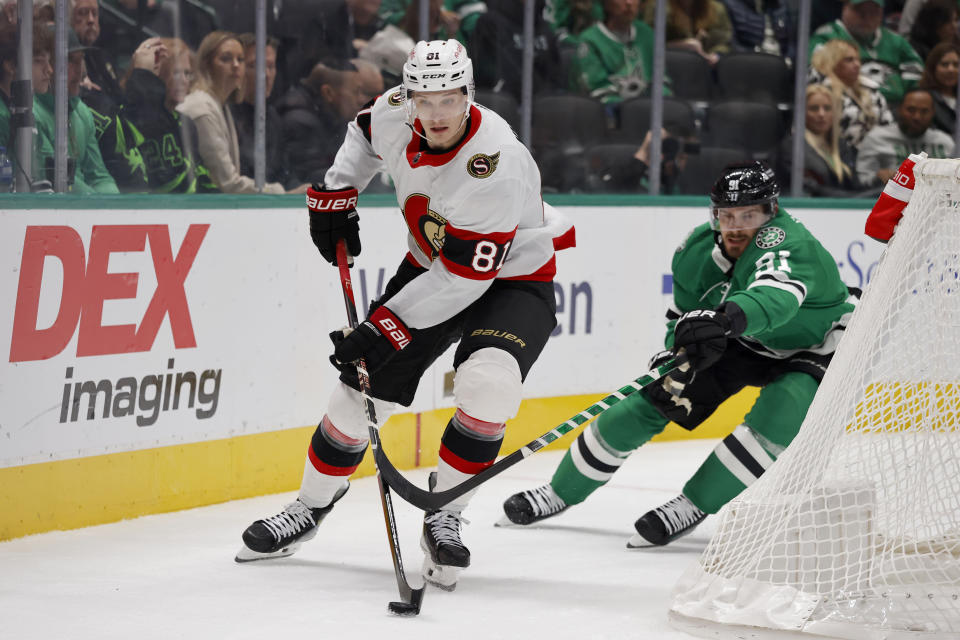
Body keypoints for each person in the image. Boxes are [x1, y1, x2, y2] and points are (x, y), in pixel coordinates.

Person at [236, 40, 576, 591]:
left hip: (511, 279)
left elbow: (467, 280)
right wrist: (336, 192)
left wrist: (382, 326)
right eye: (425, 99)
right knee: (358, 394)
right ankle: (308, 507)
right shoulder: (397, 110)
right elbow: (364, 134)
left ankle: (445, 515)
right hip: (433, 263)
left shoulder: (499, 164)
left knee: (489, 383)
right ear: (409, 94)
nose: (436, 113)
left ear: (468, 94)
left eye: (449, 99)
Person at [501, 161, 857, 548]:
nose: (736, 227)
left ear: (772, 212)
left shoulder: (790, 243)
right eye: (727, 215)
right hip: (739, 335)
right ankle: (560, 491)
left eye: (749, 215)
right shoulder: (696, 252)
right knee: (648, 402)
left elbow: (776, 297)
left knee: (782, 409)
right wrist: (677, 351)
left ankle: (693, 504)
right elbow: (683, 318)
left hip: (817, 342)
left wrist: (727, 319)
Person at [177, 31, 304, 194]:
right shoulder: (203, 109)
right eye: (226, 59)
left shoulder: (224, 106)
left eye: (240, 60)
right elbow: (228, 183)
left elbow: (283, 171)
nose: (236, 65)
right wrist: (284, 194)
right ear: (206, 65)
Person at [93, 37, 219, 193]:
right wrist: (142, 75)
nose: (184, 80)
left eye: (187, 73)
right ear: (159, 73)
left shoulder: (186, 123)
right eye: (177, 73)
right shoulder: (133, 119)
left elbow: (201, 177)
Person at [32, 29, 118, 193]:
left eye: (81, 59)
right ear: (48, 65)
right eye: (70, 61)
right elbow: (58, 179)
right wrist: (99, 207)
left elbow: (99, 176)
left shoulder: (81, 111)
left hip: (84, 209)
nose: (79, 70)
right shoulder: (33, 114)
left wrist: (115, 207)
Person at [810, 0, 924, 105]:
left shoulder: (896, 41)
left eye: (873, 12)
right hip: (850, 106)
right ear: (845, 8)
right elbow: (816, 77)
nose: (867, 17)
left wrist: (908, 101)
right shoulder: (827, 37)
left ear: (881, 13)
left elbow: (917, 75)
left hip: (898, 110)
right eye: (860, 11)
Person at [275, 59, 364, 186]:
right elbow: (310, 175)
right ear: (328, 93)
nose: (361, 99)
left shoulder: (336, 118)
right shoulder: (299, 122)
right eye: (356, 92)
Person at [570, 0, 665, 105]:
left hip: (647, 112)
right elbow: (598, 92)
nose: (629, 3)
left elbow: (662, 82)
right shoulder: (589, 41)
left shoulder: (647, 34)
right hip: (606, 116)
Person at [856, 87, 955, 186]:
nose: (917, 117)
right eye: (911, 110)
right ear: (899, 110)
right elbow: (860, 179)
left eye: (924, 111)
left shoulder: (945, 142)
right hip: (888, 197)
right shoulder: (876, 138)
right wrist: (877, 178)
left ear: (933, 113)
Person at [230, 33, 293, 189]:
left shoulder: (273, 117)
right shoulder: (226, 115)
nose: (266, 74)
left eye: (270, 66)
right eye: (255, 65)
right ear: (238, 68)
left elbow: (285, 174)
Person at [776, 84, 860, 196]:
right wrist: (850, 198)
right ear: (801, 113)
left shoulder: (841, 145)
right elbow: (812, 189)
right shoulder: (793, 146)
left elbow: (855, 185)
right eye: (814, 108)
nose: (821, 114)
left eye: (827, 108)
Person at [810, 38, 894, 149]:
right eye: (849, 60)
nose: (857, 65)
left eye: (858, 60)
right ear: (833, 62)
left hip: (876, 153)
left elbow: (888, 126)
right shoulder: (822, 93)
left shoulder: (872, 91)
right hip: (836, 153)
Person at [72, 0, 123, 114]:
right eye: (83, 13)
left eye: (94, 13)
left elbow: (120, 98)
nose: (91, 20)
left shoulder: (101, 55)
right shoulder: (64, 61)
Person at [648, 0, 733, 66]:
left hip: (708, 69)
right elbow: (649, 44)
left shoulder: (716, 9)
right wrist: (681, 45)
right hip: (672, 66)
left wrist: (716, 55)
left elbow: (724, 41)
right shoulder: (659, 8)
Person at [721, 0, 795, 62]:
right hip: (750, 61)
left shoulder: (781, 5)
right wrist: (755, 56)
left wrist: (788, 60)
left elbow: (792, 43)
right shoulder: (731, 4)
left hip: (782, 62)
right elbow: (732, 44)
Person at [918, 41, 959, 135]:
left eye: (956, 65)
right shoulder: (923, 98)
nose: (951, 70)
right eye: (945, 64)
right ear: (933, 68)